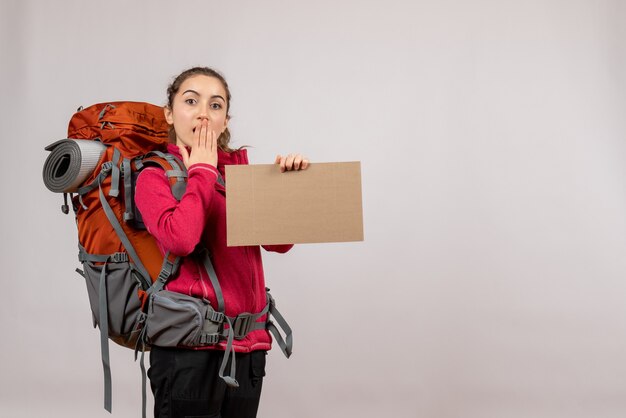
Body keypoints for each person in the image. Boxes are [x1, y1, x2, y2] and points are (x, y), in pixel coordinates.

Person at [135, 66, 308, 418]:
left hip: (249, 348)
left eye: (215, 105)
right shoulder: (153, 176)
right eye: (190, 100)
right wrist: (201, 170)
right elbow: (181, 239)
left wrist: (288, 188)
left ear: (226, 119)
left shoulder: (238, 176)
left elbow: (280, 244)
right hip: (189, 351)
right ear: (169, 112)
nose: (203, 112)